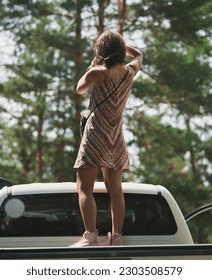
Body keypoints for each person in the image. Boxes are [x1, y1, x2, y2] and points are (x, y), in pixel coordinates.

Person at [70, 30, 143, 247]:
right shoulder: (129, 72)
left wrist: (93, 65)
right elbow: (139, 55)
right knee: (116, 190)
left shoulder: (98, 73)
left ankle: (90, 237)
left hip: (95, 136)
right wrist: (124, 46)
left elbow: (79, 89)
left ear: (100, 51)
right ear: (120, 51)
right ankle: (116, 237)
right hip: (115, 137)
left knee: (84, 188)